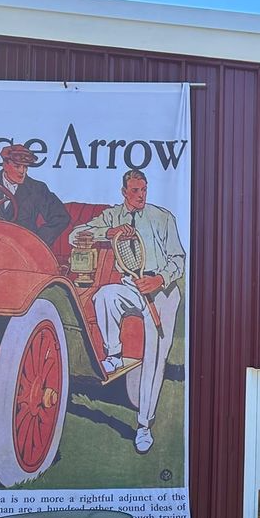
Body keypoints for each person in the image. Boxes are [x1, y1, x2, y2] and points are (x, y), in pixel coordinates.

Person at [74, 169, 185, 454]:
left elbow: (179, 260)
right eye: (135, 190)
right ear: (124, 191)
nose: (140, 195)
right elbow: (77, 235)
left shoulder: (163, 218)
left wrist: (159, 280)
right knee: (105, 297)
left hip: (162, 292)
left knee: (154, 358)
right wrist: (107, 232)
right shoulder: (113, 216)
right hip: (131, 286)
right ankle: (113, 356)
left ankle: (144, 426)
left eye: (144, 190)